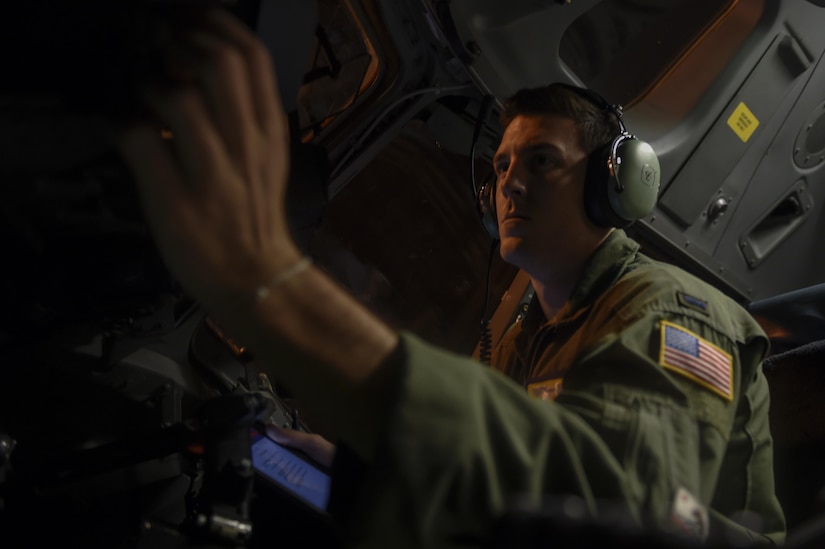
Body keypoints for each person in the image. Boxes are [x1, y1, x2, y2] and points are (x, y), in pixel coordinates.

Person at [114, 9, 785, 547]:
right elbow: (495, 486)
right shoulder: (526, 332)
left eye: (541, 160)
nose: (509, 183)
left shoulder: (675, 310)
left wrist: (276, 288)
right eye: (498, 166)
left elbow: (615, 506)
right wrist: (351, 460)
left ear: (617, 185)